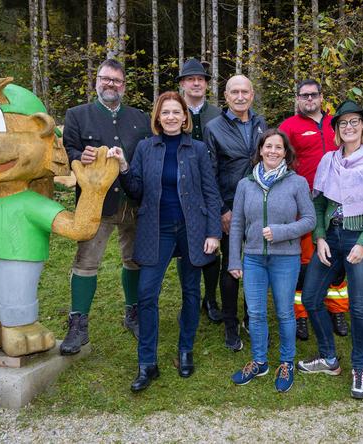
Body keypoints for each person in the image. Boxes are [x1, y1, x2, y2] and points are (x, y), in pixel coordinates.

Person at [109, 91, 222, 392]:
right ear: (157, 118)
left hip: (192, 228)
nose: (171, 117)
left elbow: (211, 193)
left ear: (185, 117)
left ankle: (185, 350)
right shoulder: (146, 148)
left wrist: (213, 233)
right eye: (165, 112)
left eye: (176, 112)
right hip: (156, 228)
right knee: (146, 294)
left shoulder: (197, 149)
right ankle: (147, 363)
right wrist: (123, 166)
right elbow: (136, 190)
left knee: (190, 291)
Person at [297, 100, 363, 399]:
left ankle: (359, 368)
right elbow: (318, 203)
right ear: (337, 130)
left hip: (362, 239)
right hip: (331, 236)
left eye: (355, 121)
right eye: (343, 123)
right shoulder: (329, 161)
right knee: (311, 297)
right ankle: (329, 357)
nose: (349, 127)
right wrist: (319, 237)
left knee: (358, 307)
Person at [61, 59, 152, 355]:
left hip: (133, 201)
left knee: (135, 259)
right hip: (95, 202)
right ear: (96, 81)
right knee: (86, 262)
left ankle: (133, 313)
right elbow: (67, 151)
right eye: (105, 79)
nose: (110, 84)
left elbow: (148, 155)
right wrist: (79, 155)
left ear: (124, 86)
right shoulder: (77, 115)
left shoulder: (139, 117)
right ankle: (78, 324)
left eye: (116, 80)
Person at [227, 128, 315, 392]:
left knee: (285, 312)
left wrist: (281, 232)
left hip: (286, 258)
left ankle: (287, 362)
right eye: (268, 146)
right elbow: (237, 224)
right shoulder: (245, 184)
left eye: (278, 147)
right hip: (253, 258)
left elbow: (309, 220)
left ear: (285, 152)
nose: (273, 151)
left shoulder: (297, 182)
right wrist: (234, 259)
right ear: (260, 150)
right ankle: (259, 361)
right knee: (255, 313)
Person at [279, 79, 349, 340]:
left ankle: (337, 309)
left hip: (336, 203)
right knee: (305, 263)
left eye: (313, 95)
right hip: (304, 203)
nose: (309, 99)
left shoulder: (337, 124)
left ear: (321, 97)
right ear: (298, 98)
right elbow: (278, 159)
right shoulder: (289, 126)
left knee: (337, 259)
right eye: (304, 95)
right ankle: (301, 315)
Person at [204, 75, 268, 351]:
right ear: (226, 96)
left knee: (256, 264)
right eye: (234, 92)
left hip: (258, 208)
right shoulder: (214, 127)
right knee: (231, 268)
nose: (240, 97)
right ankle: (230, 325)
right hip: (229, 208)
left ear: (252, 95)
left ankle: (250, 317)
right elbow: (209, 173)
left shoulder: (260, 124)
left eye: (245, 92)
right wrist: (222, 210)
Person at [177, 58, 224, 323]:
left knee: (212, 243)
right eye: (191, 79)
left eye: (201, 79)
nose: (196, 83)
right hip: (181, 189)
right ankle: (190, 298)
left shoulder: (217, 115)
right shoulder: (173, 110)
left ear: (206, 84)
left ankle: (211, 298)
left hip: (211, 188)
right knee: (185, 246)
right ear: (183, 83)